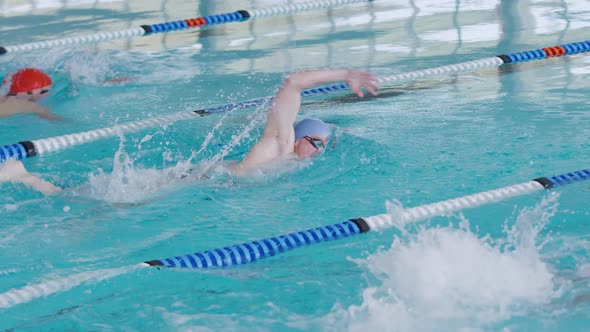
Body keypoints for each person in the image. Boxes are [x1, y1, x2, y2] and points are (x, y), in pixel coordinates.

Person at [230, 69, 379, 176]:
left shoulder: (292, 160)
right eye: (317, 143)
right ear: (298, 140)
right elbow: (294, 81)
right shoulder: (279, 142)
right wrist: (345, 74)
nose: (319, 150)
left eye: (323, 146)